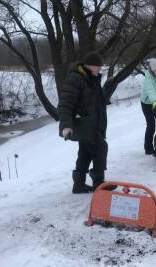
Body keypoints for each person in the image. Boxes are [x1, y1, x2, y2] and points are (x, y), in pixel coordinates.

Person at [58, 51, 115, 194]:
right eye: (98, 67)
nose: (100, 70)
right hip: (83, 124)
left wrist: (108, 87)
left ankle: (79, 184)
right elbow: (65, 103)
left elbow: (97, 102)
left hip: (92, 124)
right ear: (90, 66)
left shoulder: (91, 78)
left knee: (85, 153)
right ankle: (98, 183)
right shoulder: (76, 79)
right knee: (101, 147)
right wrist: (66, 126)